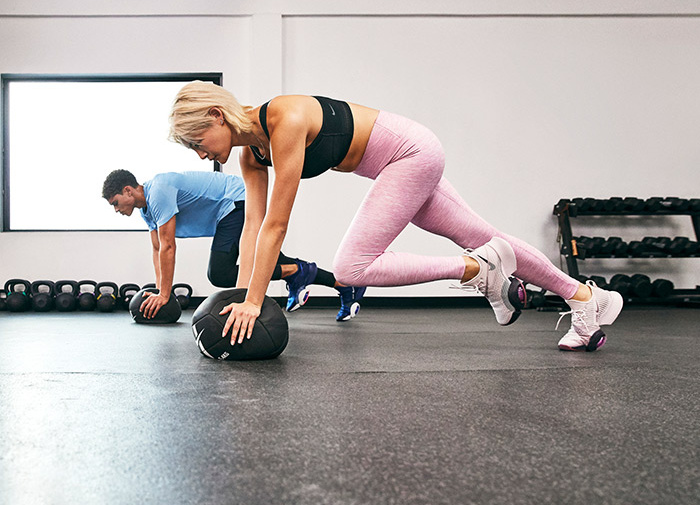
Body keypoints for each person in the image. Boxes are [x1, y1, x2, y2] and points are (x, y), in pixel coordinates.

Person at [167, 82, 623, 350]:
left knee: (350, 269)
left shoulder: (282, 120)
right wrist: (246, 293)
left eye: (196, 139)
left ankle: (477, 271)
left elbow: (277, 225)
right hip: (397, 162)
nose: (198, 151)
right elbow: (252, 226)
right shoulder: (253, 157)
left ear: (216, 115)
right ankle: (585, 298)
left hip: (409, 153)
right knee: (485, 235)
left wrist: (253, 303)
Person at [102, 169, 364, 321]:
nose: (116, 210)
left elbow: (169, 247)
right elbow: (157, 249)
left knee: (220, 272)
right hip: (227, 211)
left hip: (235, 202)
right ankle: (344, 285)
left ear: (128, 190)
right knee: (274, 262)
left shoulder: (158, 191)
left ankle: (296, 273)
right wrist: (160, 290)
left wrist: (164, 295)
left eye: (115, 203)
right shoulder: (145, 210)